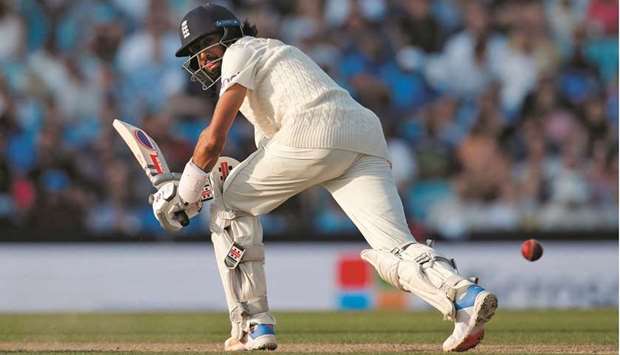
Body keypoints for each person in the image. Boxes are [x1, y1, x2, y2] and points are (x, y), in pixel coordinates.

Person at [152, 3, 497, 352]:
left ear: (226, 35)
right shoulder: (272, 64)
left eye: (204, 46)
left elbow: (212, 141)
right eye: (194, 53)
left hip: (315, 130)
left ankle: (252, 324)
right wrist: (196, 191)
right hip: (361, 132)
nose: (202, 60)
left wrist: (185, 193)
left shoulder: (240, 51)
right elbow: (263, 163)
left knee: (230, 207)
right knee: (393, 247)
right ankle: (464, 297)